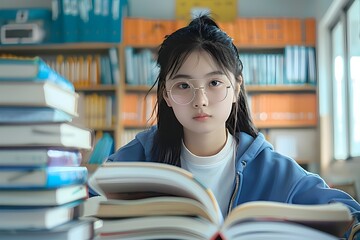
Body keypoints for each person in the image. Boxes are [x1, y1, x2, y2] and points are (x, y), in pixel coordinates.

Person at [106, 15, 360, 238]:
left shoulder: (273, 169)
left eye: (214, 83)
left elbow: (348, 217)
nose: (201, 101)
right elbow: (88, 208)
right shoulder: (137, 159)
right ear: (166, 95)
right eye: (183, 86)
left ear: (236, 87)